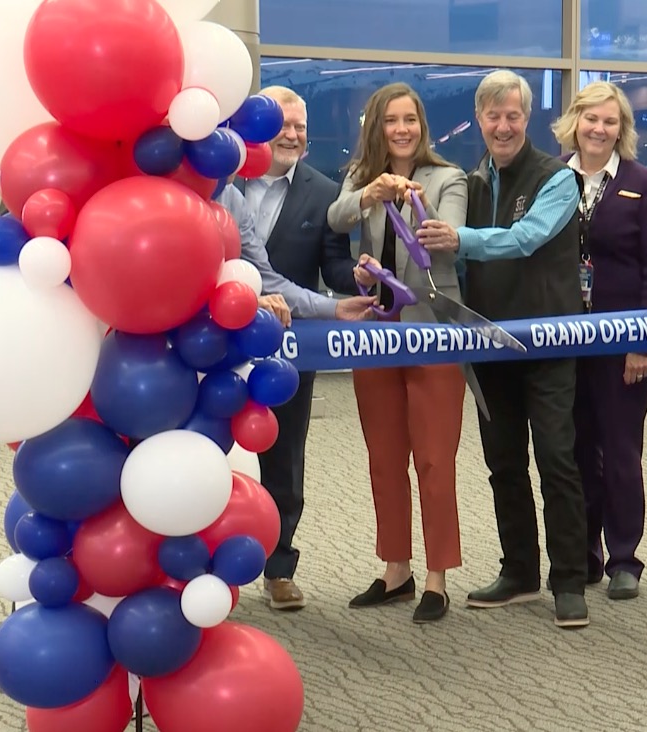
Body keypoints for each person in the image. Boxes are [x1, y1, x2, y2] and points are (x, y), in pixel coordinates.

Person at [414, 70, 590, 629]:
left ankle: (569, 581)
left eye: (513, 115)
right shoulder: (472, 181)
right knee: (503, 462)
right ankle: (519, 572)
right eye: (493, 116)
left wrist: (457, 238)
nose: (503, 125)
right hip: (490, 343)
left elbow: (527, 238)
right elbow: (457, 262)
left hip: (549, 340)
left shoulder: (558, 178)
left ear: (527, 118)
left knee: (557, 459)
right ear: (480, 119)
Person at [220, 85, 376, 611]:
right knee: (210, 452)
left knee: (285, 455)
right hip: (211, 348)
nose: (293, 134)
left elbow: (325, 265)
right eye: (283, 123)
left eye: (301, 127)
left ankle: (279, 566)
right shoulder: (221, 181)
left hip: (291, 345)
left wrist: (348, 284)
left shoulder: (323, 190)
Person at [326, 83, 469, 623]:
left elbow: (444, 232)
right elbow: (338, 219)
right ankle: (397, 570)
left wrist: (415, 201)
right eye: (392, 120)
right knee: (385, 460)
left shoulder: (446, 176)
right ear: (377, 128)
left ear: (422, 125)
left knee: (434, 459)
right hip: (376, 333)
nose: (402, 128)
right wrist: (369, 195)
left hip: (433, 331)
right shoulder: (362, 178)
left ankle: (437, 577)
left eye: (410, 119)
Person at [550, 81, 647, 601]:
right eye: (591, 119)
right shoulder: (555, 179)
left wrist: (642, 342)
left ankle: (625, 558)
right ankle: (585, 555)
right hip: (565, 341)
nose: (600, 129)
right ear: (574, 122)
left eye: (610, 122)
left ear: (622, 130)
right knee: (573, 450)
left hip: (623, 345)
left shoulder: (642, 183)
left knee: (620, 450)